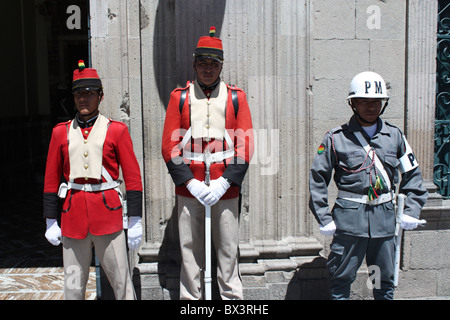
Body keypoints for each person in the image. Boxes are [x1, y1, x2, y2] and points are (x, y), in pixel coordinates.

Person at [309, 71, 428, 300]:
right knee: (341, 280)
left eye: (377, 101)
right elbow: (318, 178)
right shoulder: (336, 138)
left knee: (382, 281)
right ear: (353, 103)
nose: (371, 106)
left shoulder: (395, 137)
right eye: (364, 100)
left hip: (384, 223)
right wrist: (324, 217)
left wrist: (412, 210)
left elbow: (413, 175)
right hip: (348, 224)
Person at [161, 27, 254, 300]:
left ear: (221, 65)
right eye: (203, 63)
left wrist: (225, 181)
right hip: (189, 189)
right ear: (194, 65)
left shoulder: (236, 97)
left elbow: (245, 144)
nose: (208, 69)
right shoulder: (180, 97)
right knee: (190, 252)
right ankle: (192, 301)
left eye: (213, 64)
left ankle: (231, 301)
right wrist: (190, 182)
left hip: (225, 188)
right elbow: (169, 145)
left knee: (228, 250)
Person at [43, 60, 143, 300]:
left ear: (101, 96)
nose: (83, 99)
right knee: (73, 287)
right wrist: (49, 220)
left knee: (122, 286)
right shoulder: (61, 132)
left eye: (89, 93)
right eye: (78, 94)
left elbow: (132, 177)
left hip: (108, 217)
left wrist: (135, 219)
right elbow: (50, 179)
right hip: (73, 219)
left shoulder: (116, 130)